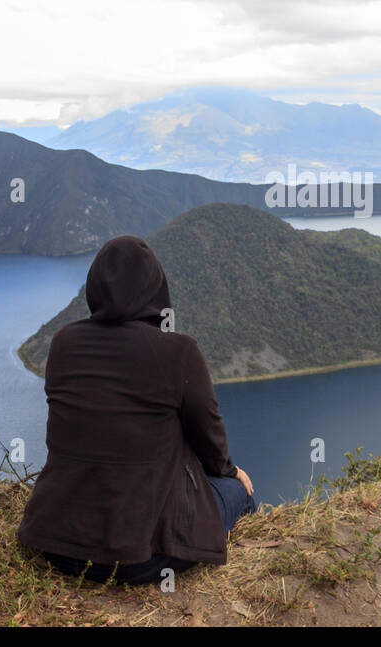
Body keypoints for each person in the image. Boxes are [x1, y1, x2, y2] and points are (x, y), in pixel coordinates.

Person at [17, 234, 256, 585]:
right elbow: (209, 435)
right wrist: (230, 471)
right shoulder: (179, 352)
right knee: (240, 490)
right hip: (144, 558)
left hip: (57, 546)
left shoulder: (63, 344)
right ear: (157, 289)